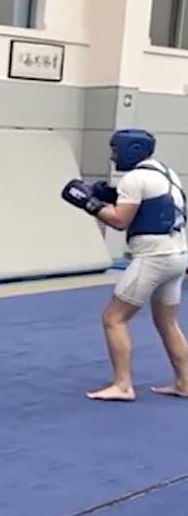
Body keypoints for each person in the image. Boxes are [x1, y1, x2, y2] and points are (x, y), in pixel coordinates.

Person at [61, 128, 188, 402]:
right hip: (178, 254)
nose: (112, 156)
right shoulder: (167, 173)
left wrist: (89, 203)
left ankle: (122, 385)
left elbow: (120, 220)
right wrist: (104, 194)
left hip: (154, 257)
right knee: (167, 321)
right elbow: (149, 205)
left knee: (114, 318)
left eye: (115, 150)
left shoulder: (134, 178)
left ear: (132, 150)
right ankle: (185, 382)